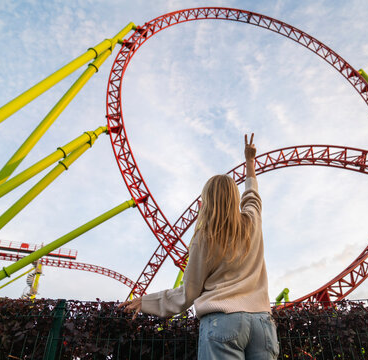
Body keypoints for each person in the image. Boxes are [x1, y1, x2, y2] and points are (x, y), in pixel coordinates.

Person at [119, 133, 279, 359]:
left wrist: (145, 301)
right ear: (235, 198)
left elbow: (189, 292)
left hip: (223, 321)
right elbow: (252, 194)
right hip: (263, 323)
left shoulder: (205, 236)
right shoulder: (252, 221)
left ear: (206, 201)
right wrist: (250, 161)